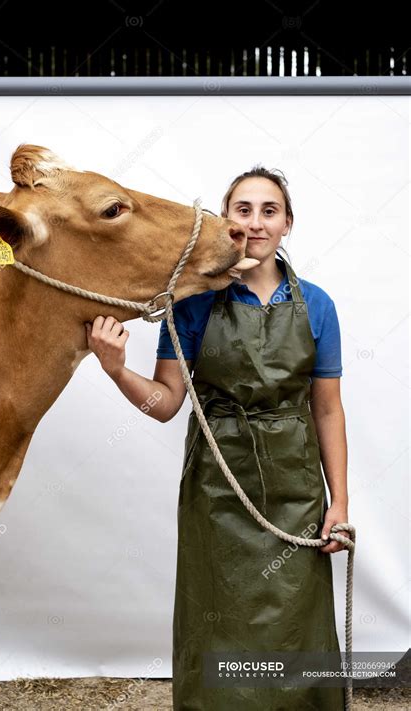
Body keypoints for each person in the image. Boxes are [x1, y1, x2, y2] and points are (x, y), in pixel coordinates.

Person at [85, 166, 350, 710]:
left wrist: (338, 502)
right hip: (217, 489)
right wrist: (115, 370)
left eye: (268, 211)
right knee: (218, 617)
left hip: (295, 490)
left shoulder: (318, 304)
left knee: (295, 622)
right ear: (225, 223)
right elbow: (164, 405)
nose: (255, 223)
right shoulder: (190, 302)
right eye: (243, 210)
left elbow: (326, 409)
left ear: (288, 225)